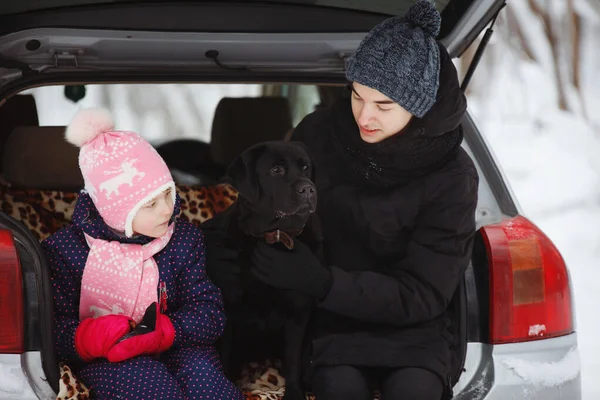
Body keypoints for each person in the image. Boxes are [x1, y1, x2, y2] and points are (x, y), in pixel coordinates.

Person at [248, 1, 479, 399]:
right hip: (333, 326)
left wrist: (322, 282)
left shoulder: (452, 175)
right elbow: (275, 206)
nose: (364, 116)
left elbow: (424, 293)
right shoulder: (319, 135)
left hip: (417, 333)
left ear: (419, 106)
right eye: (358, 96)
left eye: (384, 105)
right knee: (340, 387)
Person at [41, 108, 243, 400]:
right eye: (150, 204)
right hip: (106, 358)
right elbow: (49, 328)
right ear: (115, 209)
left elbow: (210, 313)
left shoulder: (184, 240)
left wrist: (165, 331)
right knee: (153, 388)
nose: (167, 209)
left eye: (167, 194)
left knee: (208, 385)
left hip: (178, 346)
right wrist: (88, 338)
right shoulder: (66, 251)